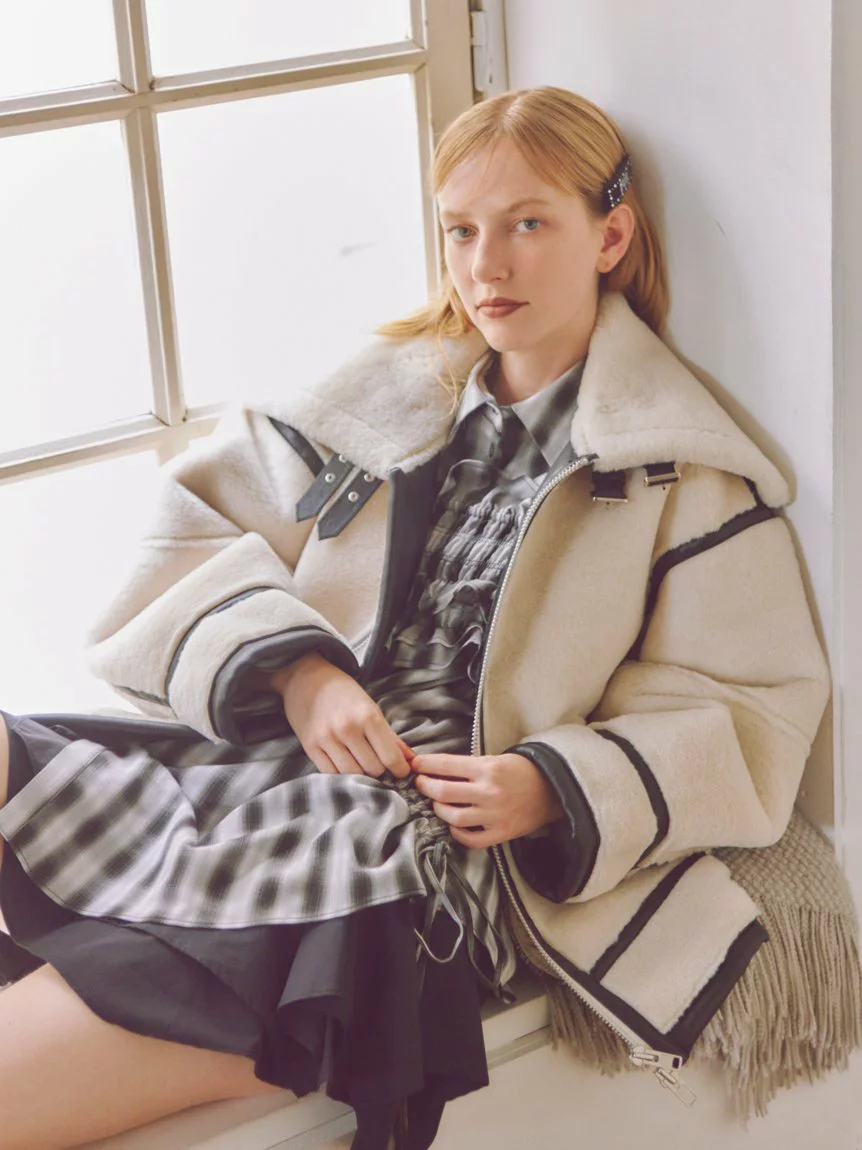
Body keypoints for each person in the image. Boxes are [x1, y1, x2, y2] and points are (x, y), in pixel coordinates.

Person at [0, 86, 830, 1150]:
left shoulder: (681, 469)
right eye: (461, 230)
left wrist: (549, 782)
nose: (487, 267)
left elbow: (751, 713)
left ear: (610, 236)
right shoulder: (392, 395)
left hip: (407, 858)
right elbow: (191, 528)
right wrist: (301, 673)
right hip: (280, 771)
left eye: (528, 224)